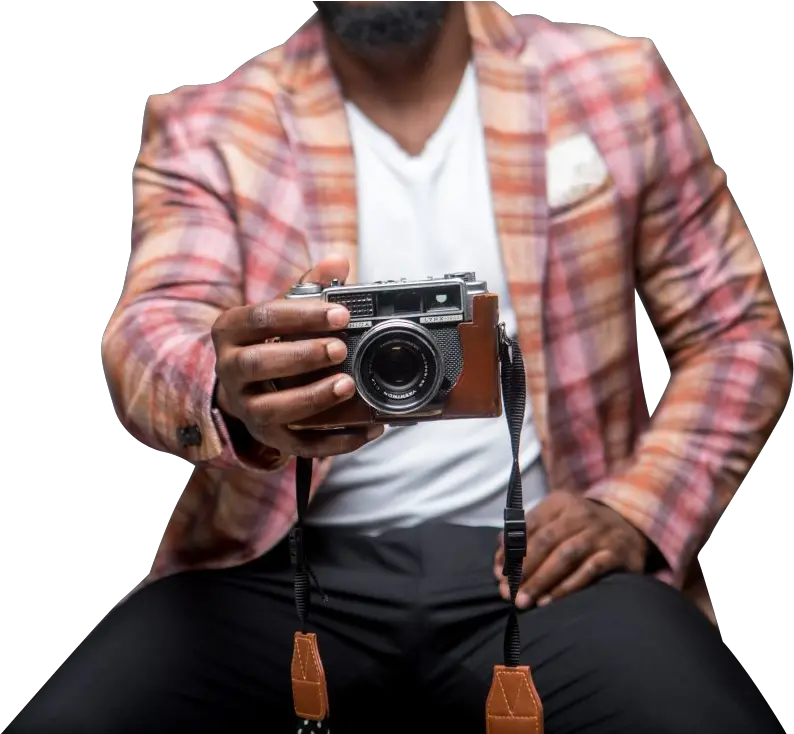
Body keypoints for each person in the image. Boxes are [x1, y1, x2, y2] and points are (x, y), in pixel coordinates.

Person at [10, 1, 791, 732]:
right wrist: (224, 382)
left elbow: (737, 334)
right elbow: (150, 329)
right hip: (285, 566)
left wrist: (636, 509)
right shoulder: (208, 123)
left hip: (542, 563)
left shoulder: (613, 80)